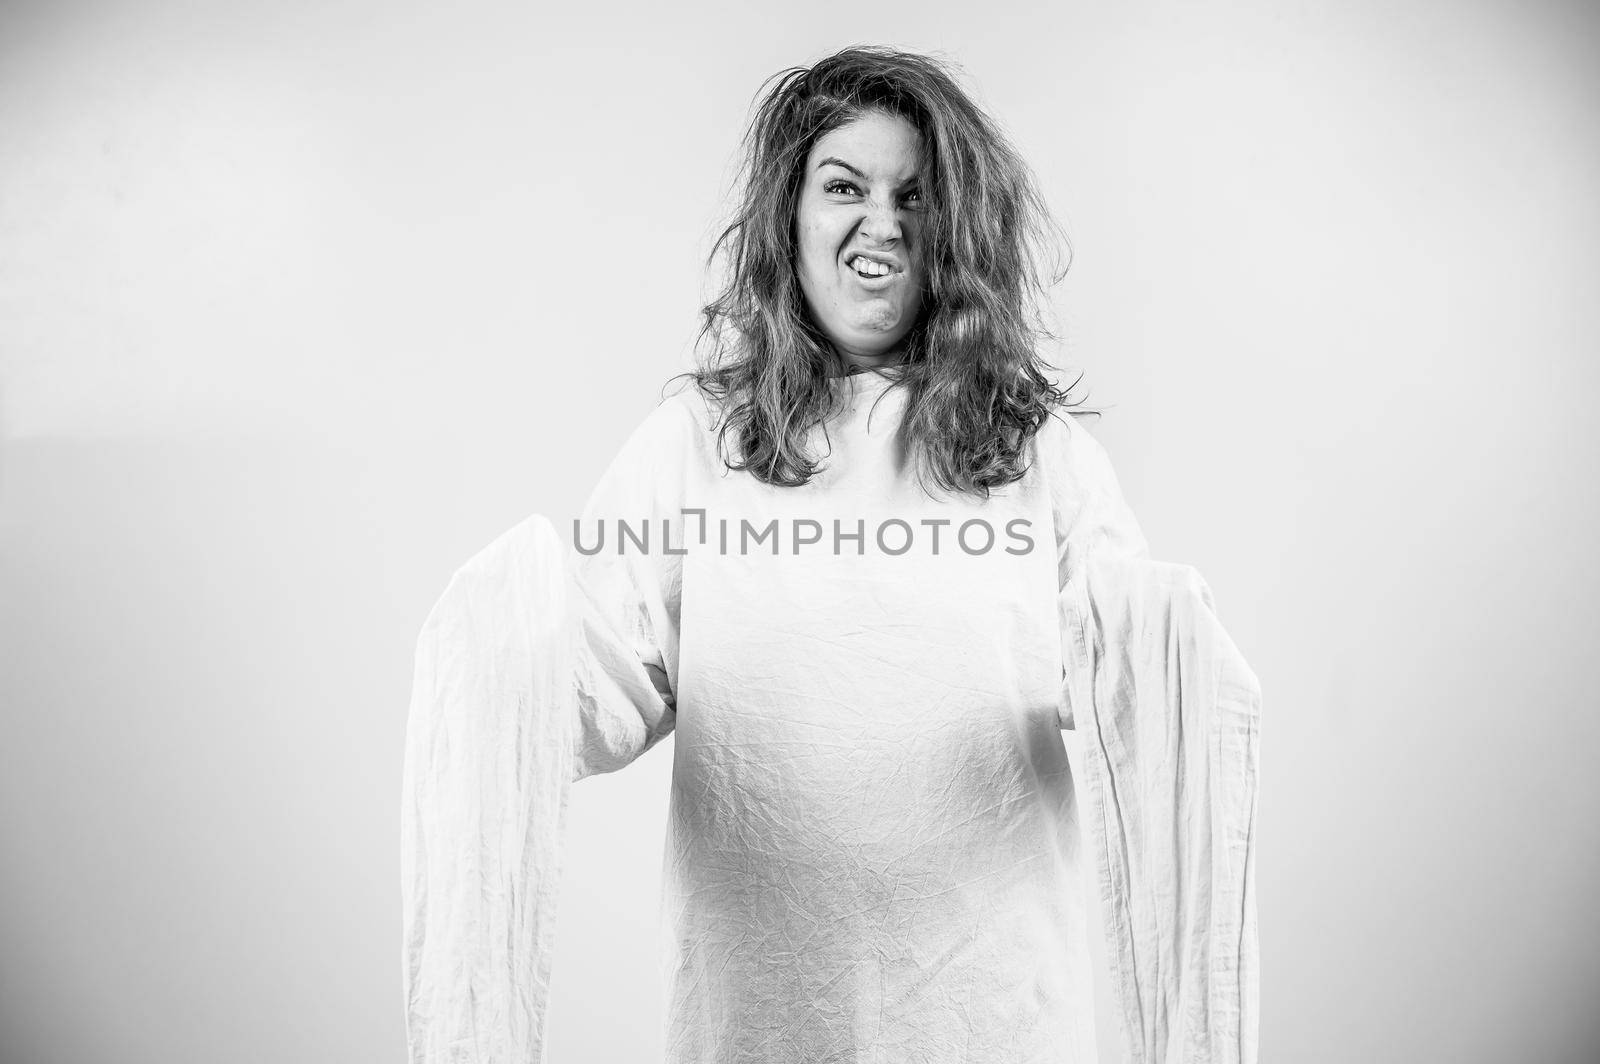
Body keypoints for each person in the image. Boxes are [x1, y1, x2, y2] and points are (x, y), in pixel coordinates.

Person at [401, 45, 1261, 1064]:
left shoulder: (1037, 456)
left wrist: (1164, 635)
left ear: (959, 231)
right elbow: (591, 688)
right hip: (760, 1021)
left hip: (996, 1017)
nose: (881, 222)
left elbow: (1134, 682)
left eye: (916, 195)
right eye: (843, 186)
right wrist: (505, 637)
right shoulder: (695, 448)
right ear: (790, 219)